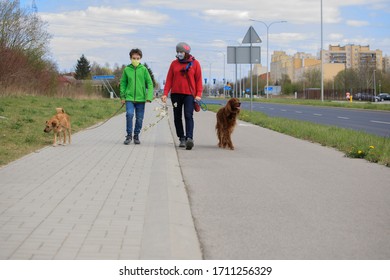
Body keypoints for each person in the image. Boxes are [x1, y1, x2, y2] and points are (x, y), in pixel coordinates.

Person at [161, 42, 203, 150]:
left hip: (189, 95)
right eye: (178, 52)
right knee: (177, 117)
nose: (179, 54)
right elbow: (169, 79)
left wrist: (198, 95)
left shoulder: (195, 64)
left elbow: (198, 80)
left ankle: (189, 138)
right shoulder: (174, 64)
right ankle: (182, 138)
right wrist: (165, 93)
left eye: (181, 52)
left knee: (188, 115)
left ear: (187, 52)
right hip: (175, 95)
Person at [120, 48, 154, 145]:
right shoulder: (127, 69)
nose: (136, 60)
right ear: (130, 58)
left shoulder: (143, 70)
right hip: (129, 98)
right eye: (134, 58)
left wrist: (149, 96)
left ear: (140, 59)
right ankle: (129, 135)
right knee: (129, 115)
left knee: (139, 118)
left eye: (138, 58)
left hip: (141, 99)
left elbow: (150, 83)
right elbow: (123, 83)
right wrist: (122, 97)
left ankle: (136, 135)